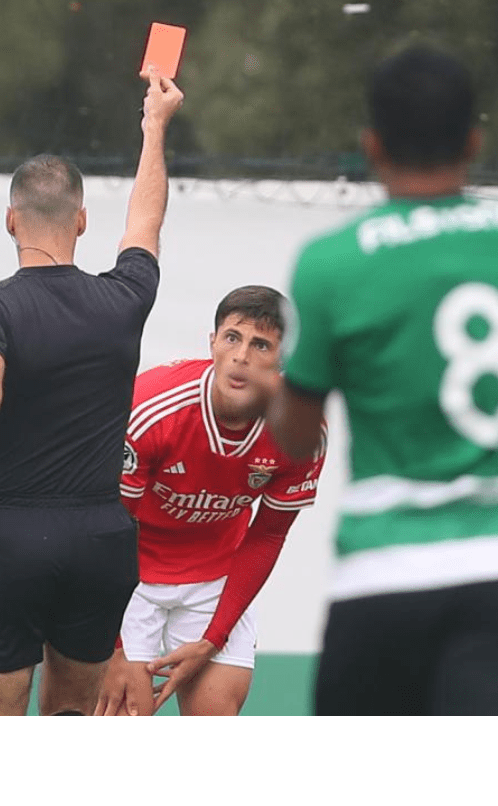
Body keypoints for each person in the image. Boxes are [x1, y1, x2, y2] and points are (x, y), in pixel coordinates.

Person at [266, 45, 498, 716]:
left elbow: (294, 439)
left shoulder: (332, 263)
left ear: (372, 145)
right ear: (474, 140)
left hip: (381, 577)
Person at [0, 65, 185, 716]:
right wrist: (155, 127)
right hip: (99, 538)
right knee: (71, 715)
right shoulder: (122, 297)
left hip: (9, 534)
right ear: (79, 222)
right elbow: (145, 223)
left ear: (10, 221)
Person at [94, 285, 327, 717]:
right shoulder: (151, 408)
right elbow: (107, 529)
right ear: (213, 343)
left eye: (261, 345)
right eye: (232, 338)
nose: (241, 357)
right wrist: (113, 646)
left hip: (216, 577)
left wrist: (212, 638)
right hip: (129, 578)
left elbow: (268, 534)